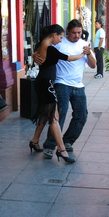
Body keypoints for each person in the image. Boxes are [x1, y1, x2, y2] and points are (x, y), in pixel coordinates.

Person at [34, 19, 96, 159]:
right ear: (67, 32)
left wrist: (88, 53)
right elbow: (43, 50)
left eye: (79, 32)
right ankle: (50, 146)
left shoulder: (84, 45)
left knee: (81, 116)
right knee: (58, 115)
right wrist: (35, 55)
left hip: (78, 85)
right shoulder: (60, 43)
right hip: (61, 83)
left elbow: (93, 65)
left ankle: (67, 141)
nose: (77, 35)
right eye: (73, 33)